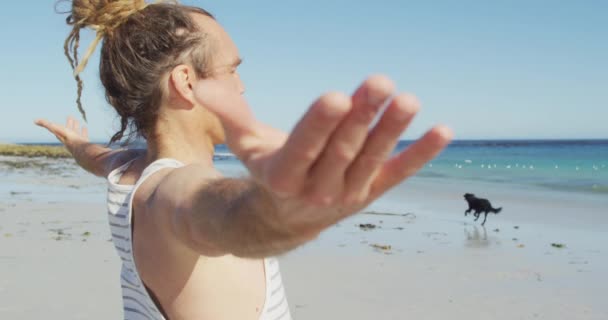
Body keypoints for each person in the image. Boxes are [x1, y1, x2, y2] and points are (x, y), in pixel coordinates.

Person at [36, 1, 452, 319]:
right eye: (231, 69)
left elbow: (97, 157)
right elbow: (218, 212)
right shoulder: (169, 193)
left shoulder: (127, 171)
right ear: (186, 82)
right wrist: (280, 211)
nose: (242, 83)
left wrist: (76, 143)